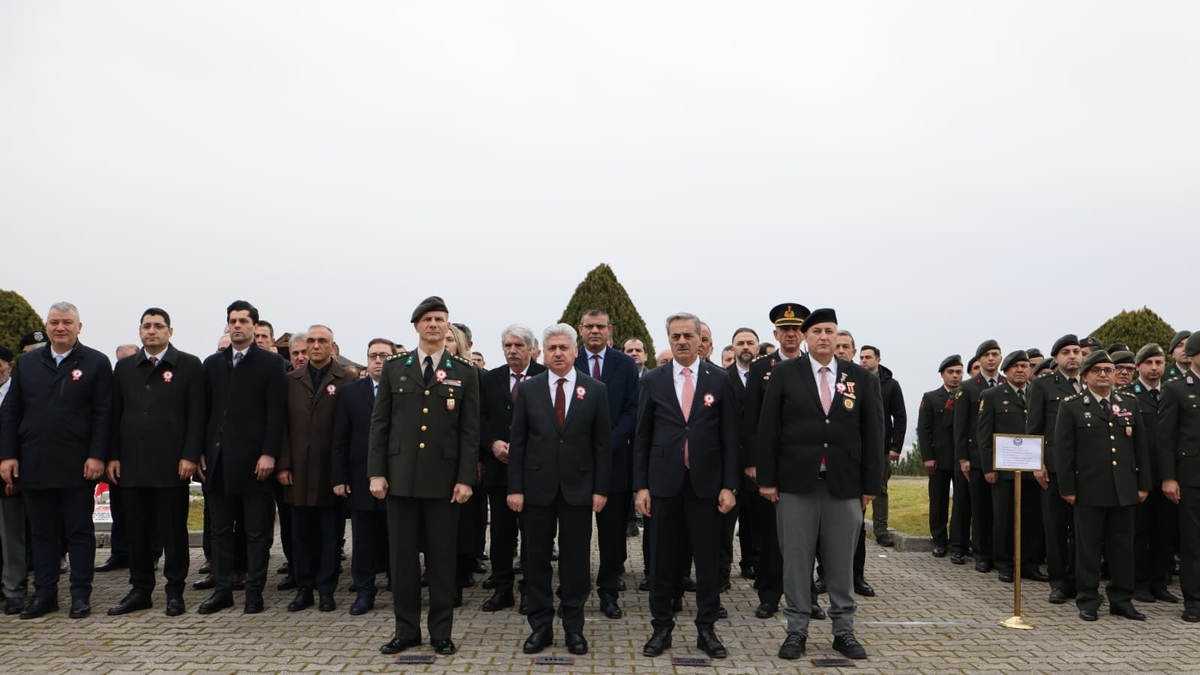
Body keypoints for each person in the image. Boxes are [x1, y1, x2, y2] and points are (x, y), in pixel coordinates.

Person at [757, 308, 882, 661]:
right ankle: (796, 630)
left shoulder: (860, 378)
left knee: (841, 562)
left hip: (844, 486)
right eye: (817, 331)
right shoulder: (783, 374)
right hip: (797, 485)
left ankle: (844, 630)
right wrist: (766, 479)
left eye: (830, 331)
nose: (824, 337)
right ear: (807, 338)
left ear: (838, 336)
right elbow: (768, 430)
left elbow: (872, 433)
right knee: (796, 561)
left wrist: (871, 483)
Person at [369, 296, 479, 656]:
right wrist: (377, 474)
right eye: (428, 319)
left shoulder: (464, 371)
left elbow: (469, 431)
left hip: (445, 482)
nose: (434, 324)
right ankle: (406, 631)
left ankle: (441, 632)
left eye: (441, 319)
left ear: (449, 326)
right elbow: (380, 426)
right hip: (400, 479)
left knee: (442, 560)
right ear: (416, 325)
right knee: (401, 562)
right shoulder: (395, 367)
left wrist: (465, 478)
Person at [634, 312, 738, 659]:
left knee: (707, 563)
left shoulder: (719, 379)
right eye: (675, 336)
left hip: (706, 487)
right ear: (669, 340)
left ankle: (706, 629)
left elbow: (730, 438)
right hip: (664, 485)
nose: (681, 341)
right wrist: (641, 486)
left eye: (687, 336)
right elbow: (643, 436)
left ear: (700, 340)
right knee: (663, 561)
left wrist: (729, 485)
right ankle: (661, 628)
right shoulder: (654, 379)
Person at [0, 302, 113, 619]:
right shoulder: (27, 363)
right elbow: (11, 412)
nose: (60, 327)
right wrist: (8, 455)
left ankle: (80, 595)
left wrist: (97, 455)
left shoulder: (95, 362)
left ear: (79, 326)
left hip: (79, 465)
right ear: (47, 326)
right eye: (54, 322)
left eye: (66, 322)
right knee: (42, 533)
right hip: (34, 462)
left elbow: (105, 414)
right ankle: (45, 595)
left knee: (78, 532)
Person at [507, 323, 611, 655]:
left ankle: (573, 627)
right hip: (536, 490)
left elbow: (602, 445)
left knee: (576, 562)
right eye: (552, 348)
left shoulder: (595, 389)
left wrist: (600, 489)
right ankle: (540, 627)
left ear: (575, 351)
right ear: (543, 352)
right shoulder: (531, 388)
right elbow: (518, 442)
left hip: (579, 490)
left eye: (564, 347)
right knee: (535, 560)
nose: (558, 353)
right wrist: (515, 488)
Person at [106, 308, 204, 617]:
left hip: (172, 464)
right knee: (136, 529)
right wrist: (112, 455)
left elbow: (197, 414)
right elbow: (113, 415)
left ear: (170, 332)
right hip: (131, 463)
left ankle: (175, 591)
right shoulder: (123, 368)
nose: (152, 331)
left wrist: (190, 455)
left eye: (158, 326)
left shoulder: (188, 364)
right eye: (146, 326)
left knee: (173, 530)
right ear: (139, 331)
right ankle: (140, 590)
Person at [197, 300, 287, 616]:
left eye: (243, 320)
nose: (237, 325)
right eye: (232, 321)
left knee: (257, 533)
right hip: (218, 463)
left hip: (255, 464)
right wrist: (198, 453)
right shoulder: (212, 364)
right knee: (220, 532)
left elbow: (277, 415)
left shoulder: (270, 364)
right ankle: (222, 591)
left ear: (254, 326)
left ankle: (253, 593)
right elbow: (202, 413)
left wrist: (269, 453)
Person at [742, 304, 825, 621]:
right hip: (770, 464)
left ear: (803, 334)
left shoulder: (815, 366)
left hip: (802, 465)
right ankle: (769, 594)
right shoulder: (762, 367)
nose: (790, 334)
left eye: (796, 329)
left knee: (807, 537)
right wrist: (753, 462)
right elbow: (751, 420)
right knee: (768, 535)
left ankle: (808, 597)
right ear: (775, 334)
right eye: (784, 329)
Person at [1055, 349, 1151, 622]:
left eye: (1108, 370)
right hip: (1089, 489)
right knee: (1088, 548)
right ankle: (1088, 599)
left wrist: (1143, 484)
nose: (1104, 375)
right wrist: (1067, 488)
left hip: (1124, 489)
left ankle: (1121, 600)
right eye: (1097, 370)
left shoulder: (1129, 403)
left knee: (1123, 548)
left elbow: (1140, 448)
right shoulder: (1072, 405)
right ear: (1085, 376)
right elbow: (1064, 451)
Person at [278, 325, 356, 613]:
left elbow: (349, 429)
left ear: (332, 346)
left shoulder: (346, 379)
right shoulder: (291, 380)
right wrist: (284, 464)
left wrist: (343, 472)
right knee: (300, 534)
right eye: (311, 341)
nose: (315, 346)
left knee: (329, 535)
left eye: (322, 341)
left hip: (330, 473)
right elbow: (282, 426)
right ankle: (304, 588)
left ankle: (326, 590)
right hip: (297, 471)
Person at [574, 309, 639, 620]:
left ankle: (609, 591)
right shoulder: (569, 361)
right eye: (589, 326)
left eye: (600, 327)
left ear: (610, 329)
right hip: (574, 462)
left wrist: (609, 442)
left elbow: (632, 409)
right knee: (575, 531)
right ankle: (574, 589)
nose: (595, 331)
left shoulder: (624, 364)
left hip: (615, 461)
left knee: (612, 534)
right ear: (580, 329)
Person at [478, 324, 545, 614]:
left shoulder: (545, 376)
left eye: (519, 345)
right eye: (508, 346)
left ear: (531, 348)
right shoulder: (490, 379)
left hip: (535, 471)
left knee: (534, 535)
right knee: (502, 535)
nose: (513, 351)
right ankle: (502, 588)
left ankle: (531, 590)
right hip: (499, 469)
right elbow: (478, 418)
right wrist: (492, 443)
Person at [332, 338, 395, 615]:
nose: (378, 361)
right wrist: (339, 476)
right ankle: (364, 592)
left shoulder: (405, 391)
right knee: (364, 540)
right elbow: (340, 439)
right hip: (360, 477)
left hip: (398, 477)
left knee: (398, 539)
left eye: (384, 356)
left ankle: (400, 589)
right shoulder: (351, 393)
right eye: (373, 356)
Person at [978, 350, 1044, 584]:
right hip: (1004, 469)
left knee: (1032, 518)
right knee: (1004, 518)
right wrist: (989, 467)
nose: (1020, 370)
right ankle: (1003, 563)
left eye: (1025, 366)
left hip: (1032, 468)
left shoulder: (1037, 393)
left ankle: (1028, 563)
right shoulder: (993, 395)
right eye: (1015, 366)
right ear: (1006, 371)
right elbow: (984, 435)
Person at [1026, 334, 1083, 604]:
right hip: (1055, 469)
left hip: (1089, 469)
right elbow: (1034, 429)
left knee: (1084, 530)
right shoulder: (1044, 387)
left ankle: (1081, 581)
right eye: (1065, 352)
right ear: (1056, 358)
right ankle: (1059, 582)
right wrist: (1038, 465)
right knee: (1057, 527)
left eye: (1076, 351)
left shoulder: (1091, 383)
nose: (1072, 356)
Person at [1120, 343, 1178, 603]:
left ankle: (1159, 582)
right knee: (1139, 532)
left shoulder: (1171, 392)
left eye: (1159, 363)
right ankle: (1139, 583)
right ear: (1138, 367)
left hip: (1168, 474)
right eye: (1149, 363)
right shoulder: (1126, 396)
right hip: (1139, 475)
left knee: (1165, 531)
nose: (1154, 368)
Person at [954, 339, 1005, 574]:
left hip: (1004, 456)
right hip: (976, 457)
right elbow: (960, 426)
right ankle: (982, 554)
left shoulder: (1006, 384)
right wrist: (963, 458)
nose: (991, 358)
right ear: (979, 360)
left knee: (1001, 509)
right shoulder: (967, 387)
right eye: (987, 355)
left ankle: (1000, 553)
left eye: (995, 354)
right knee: (981, 508)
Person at [1161, 332, 1200, 622]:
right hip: (1190, 477)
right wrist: (1168, 477)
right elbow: (1166, 439)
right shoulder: (1175, 389)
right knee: (1193, 542)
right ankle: (1194, 601)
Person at [917, 355, 964, 558]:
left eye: (958, 372)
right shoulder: (931, 397)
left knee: (961, 503)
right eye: (950, 372)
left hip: (961, 458)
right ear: (942, 374)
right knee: (938, 502)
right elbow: (924, 430)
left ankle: (958, 544)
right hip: (939, 458)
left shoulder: (967, 395)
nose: (955, 376)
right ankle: (939, 541)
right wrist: (928, 457)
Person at [859, 345, 905, 547]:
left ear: (878, 359)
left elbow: (900, 417)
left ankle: (880, 530)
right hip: (857, 445)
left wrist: (895, 446)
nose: (863, 361)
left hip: (882, 447)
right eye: (861, 357)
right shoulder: (854, 380)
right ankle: (856, 527)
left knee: (880, 489)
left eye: (868, 357)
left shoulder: (891, 385)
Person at [727, 328, 759, 579]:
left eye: (750, 342)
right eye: (741, 343)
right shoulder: (721, 377)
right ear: (733, 348)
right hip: (731, 461)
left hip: (760, 462)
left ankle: (752, 563)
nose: (745, 347)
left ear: (757, 348)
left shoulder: (768, 376)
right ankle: (722, 573)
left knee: (755, 520)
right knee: (726, 522)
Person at [0, 345, 27, 615]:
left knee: (11, 539)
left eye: (1, 362)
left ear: (9, 366)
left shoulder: (18, 395)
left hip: (7, 478)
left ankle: (14, 591)